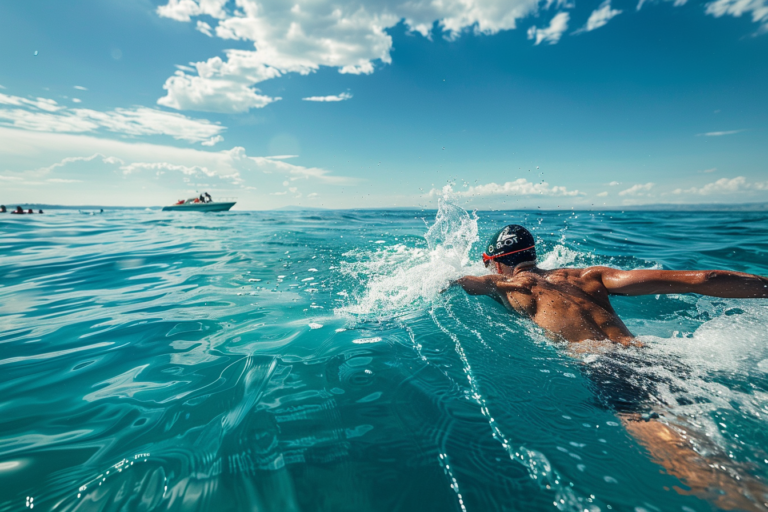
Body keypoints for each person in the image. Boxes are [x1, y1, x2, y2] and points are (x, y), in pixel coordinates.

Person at [447, 224, 768, 510]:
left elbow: (464, 283)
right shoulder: (589, 276)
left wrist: (448, 281)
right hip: (657, 356)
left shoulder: (508, 287)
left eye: (489, 263)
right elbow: (702, 279)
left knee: (696, 463)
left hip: (610, 369)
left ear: (498, 263)